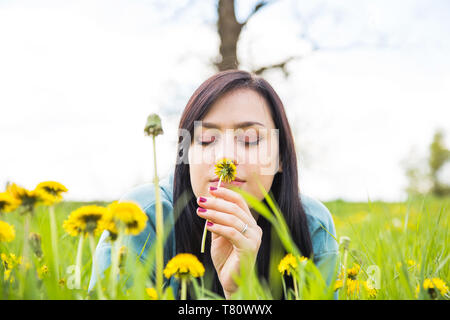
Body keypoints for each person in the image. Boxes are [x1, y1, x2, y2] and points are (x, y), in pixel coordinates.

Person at [88, 69, 339, 299]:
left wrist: (238, 293)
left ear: (281, 158)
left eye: (250, 139)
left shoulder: (312, 226)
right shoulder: (142, 218)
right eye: (207, 139)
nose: (226, 156)